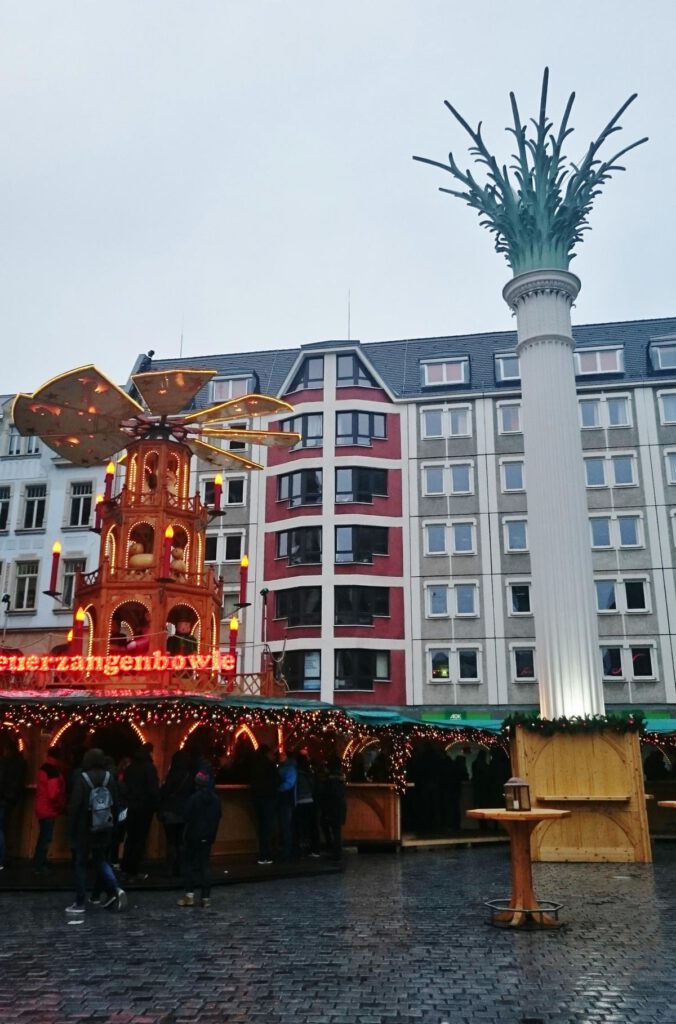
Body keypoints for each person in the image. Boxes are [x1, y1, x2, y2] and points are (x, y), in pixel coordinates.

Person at [66, 748, 126, 913]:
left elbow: (75, 806)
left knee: (80, 863)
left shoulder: (82, 779)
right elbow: (115, 804)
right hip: (104, 827)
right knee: (101, 860)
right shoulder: (109, 778)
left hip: (84, 828)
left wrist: (70, 829)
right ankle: (115, 888)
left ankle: (79, 902)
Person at [177, 770, 222, 908]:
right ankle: (205, 897)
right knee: (205, 865)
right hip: (208, 835)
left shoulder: (193, 799)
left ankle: (189, 895)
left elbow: (186, 815)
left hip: (193, 835)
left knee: (190, 864)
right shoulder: (216, 799)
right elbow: (219, 815)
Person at [121, 742, 160, 882]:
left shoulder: (130, 768)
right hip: (144, 808)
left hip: (131, 807)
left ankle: (126, 868)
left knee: (130, 838)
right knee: (139, 840)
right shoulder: (149, 768)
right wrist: (156, 805)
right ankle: (133, 870)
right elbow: (153, 789)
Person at [159, 749, 194, 877]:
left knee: (171, 841)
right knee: (181, 841)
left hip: (170, 812)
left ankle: (170, 868)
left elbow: (164, 793)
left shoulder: (171, 775)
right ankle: (181, 868)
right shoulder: (189, 777)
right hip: (183, 812)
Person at [33, 746, 66, 873]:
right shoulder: (53, 772)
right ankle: (40, 865)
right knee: (46, 837)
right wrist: (60, 804)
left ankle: (39, 862)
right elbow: (53, 794)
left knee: (43, 836)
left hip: (41, 806)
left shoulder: (44, 768)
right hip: (49, 809)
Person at [0, 736, 27, 869]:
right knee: (3, 829)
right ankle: (4, 857)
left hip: (3, 798)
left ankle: (1, 858)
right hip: (12, 799)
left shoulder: (5, 763)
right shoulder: (21, 762)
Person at [249, 744, 278, 865]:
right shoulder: (270, 765)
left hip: (257, 799)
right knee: (267, 827)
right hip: (269, 799)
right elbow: (277, 780)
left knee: (261, 827)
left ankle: (262, 854)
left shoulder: (254, 765)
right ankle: (267, 854)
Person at [295, 751, 320, 858]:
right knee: (312, 826)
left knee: (301, 827)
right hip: (310, 801)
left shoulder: (297, 774)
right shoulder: (309, 773)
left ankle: (302, 849)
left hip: (300, 801)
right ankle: (314, 849)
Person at [322, 757, 347, 860]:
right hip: (340, 807)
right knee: (337, 831)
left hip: (333, 807)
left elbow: (330, 794)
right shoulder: (340, 777)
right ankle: (337, 852)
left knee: (335, 831)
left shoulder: (331, 779)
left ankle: (336, 853)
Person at [277, 749, 297, 861]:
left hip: (286, 800)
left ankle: (287, 850)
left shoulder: (288, 768)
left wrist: (278, 788)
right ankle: (286, 848)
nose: (280, 756)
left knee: (286, 825)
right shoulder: (284, 767)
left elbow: (289, 784)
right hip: (284, 800)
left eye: (283, 755)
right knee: (285, 825)